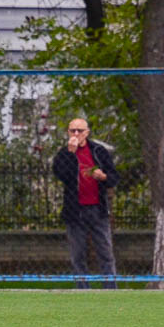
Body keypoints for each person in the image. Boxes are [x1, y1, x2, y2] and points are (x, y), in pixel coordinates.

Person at [53, 118, 120, 289]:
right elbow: (61, 175)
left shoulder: (99, 151)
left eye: (80, 131)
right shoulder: (63, 154)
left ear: (87, 133)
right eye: (72, 130)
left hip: (98, 210)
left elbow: (113, 178)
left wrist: (103, 177)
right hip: (75, 211)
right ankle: (83, 289)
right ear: (68, 132)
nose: (76, 134)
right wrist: (70, 153)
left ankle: (110, 288)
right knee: (78, 254)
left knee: (105, 252)